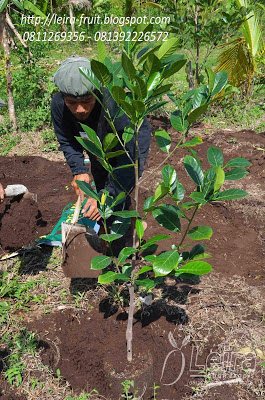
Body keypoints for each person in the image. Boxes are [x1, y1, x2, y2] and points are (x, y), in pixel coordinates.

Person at [51, 56, 152, 222]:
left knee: (120, 184)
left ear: (96, 92)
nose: (80, 109)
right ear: (63, 98)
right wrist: (79, 170)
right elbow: (67, 140)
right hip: (97, 137)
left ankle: (123, 226)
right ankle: (105, 220)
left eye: (86, 101)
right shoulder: (59, 105)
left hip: (128, 138)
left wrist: (109, 195)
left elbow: (127, 158)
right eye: (71, 103)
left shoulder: (114, 103)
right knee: (100, 174)